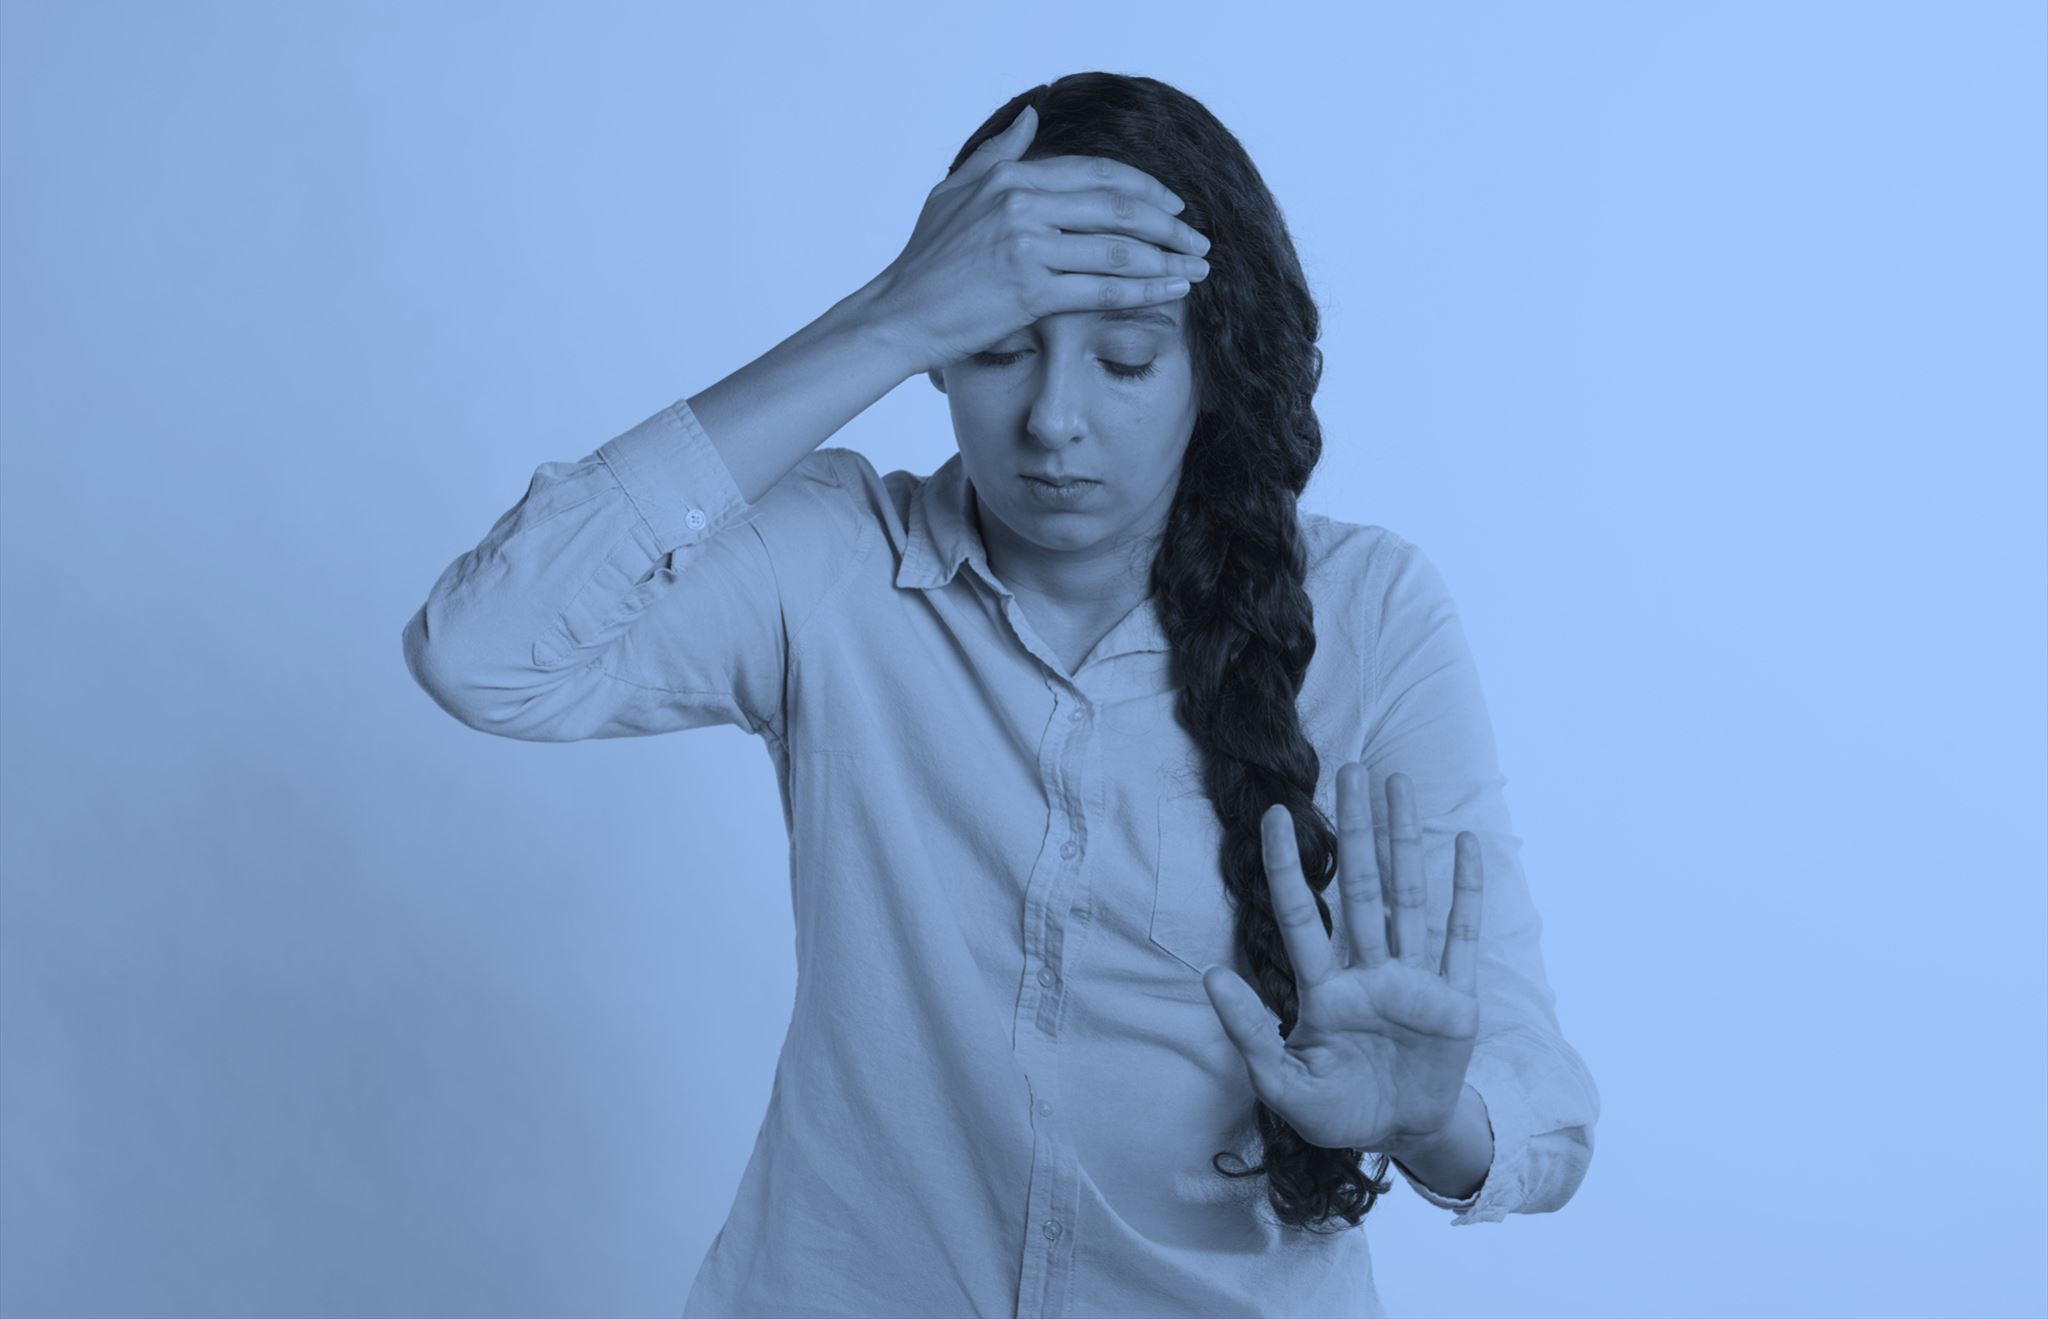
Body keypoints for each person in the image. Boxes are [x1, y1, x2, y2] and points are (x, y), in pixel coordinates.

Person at [402, 72, 1599, 1319]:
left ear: (1211, 366)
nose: (1052, 420)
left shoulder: (1368, 613)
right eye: (993, 346)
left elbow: (1542, 1105)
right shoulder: (834, 561)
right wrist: (883, 317)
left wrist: (1428, 1121)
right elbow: (482, 648)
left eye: (1124, 359)